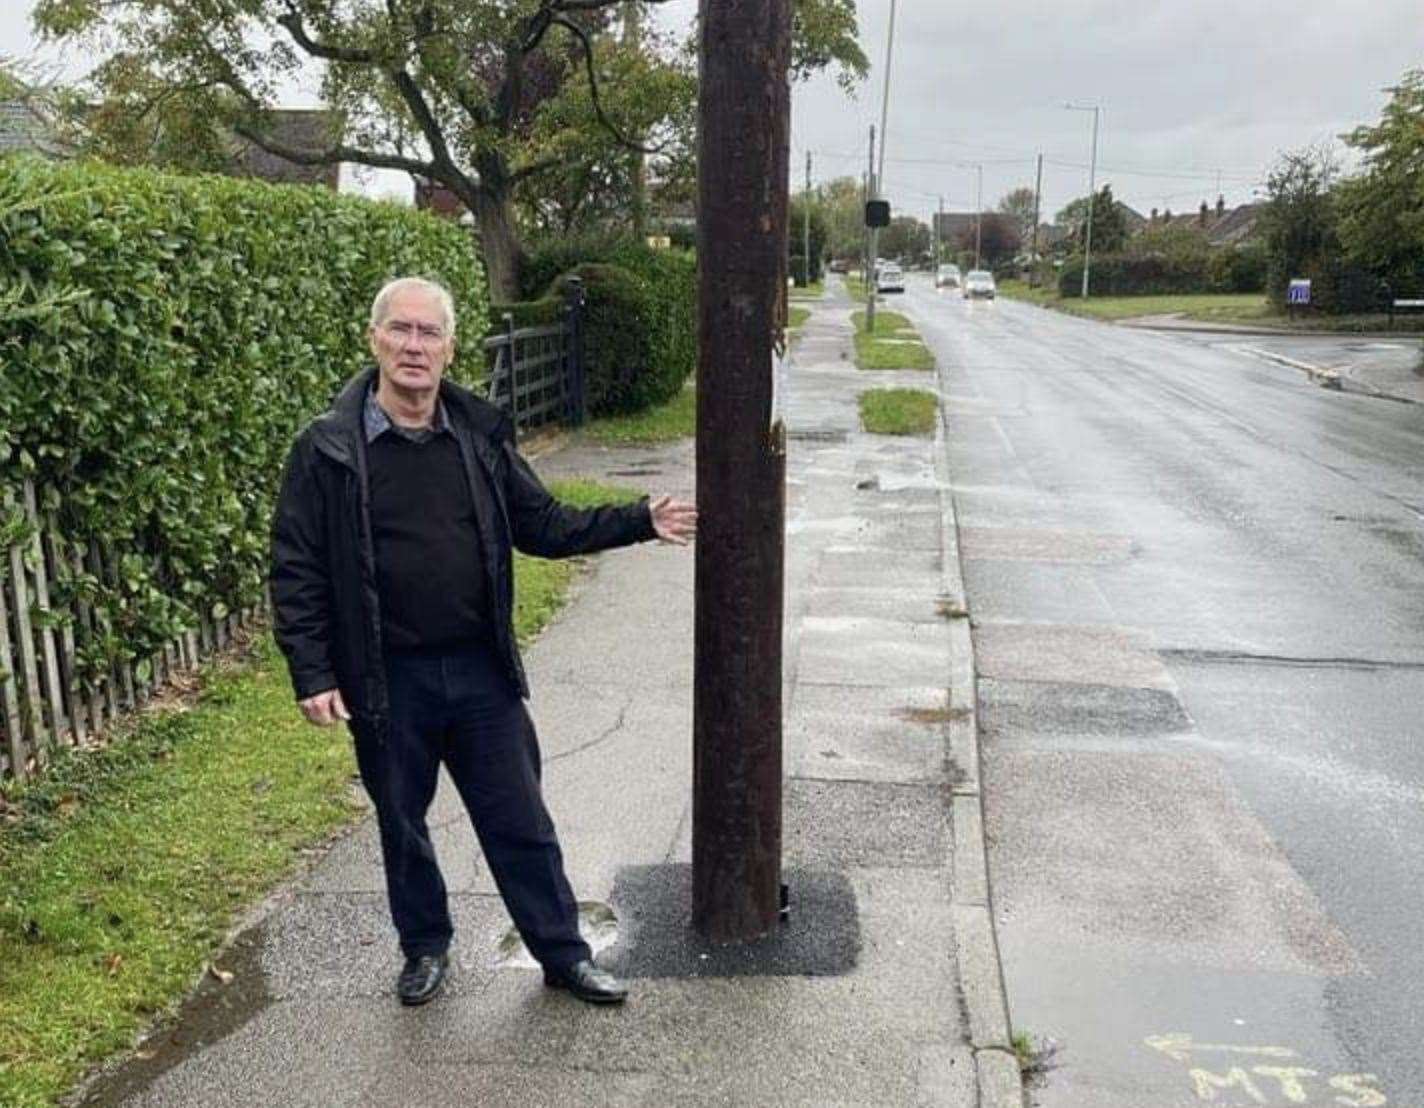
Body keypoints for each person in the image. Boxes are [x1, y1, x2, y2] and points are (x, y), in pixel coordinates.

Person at [269, 276, 696, 1007]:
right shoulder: (328, 449)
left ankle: (562, 954)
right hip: (385, 679)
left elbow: (545, 524)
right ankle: (426, 948)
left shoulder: (477, 435)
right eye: (399, 331)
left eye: (428, 333)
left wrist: (638, 519)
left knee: (520, 820)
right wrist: (312, 671)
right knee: (403, 824)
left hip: (478, 672)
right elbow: (296, 564)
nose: (413, 346)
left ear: (449, 348)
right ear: (373, 340)